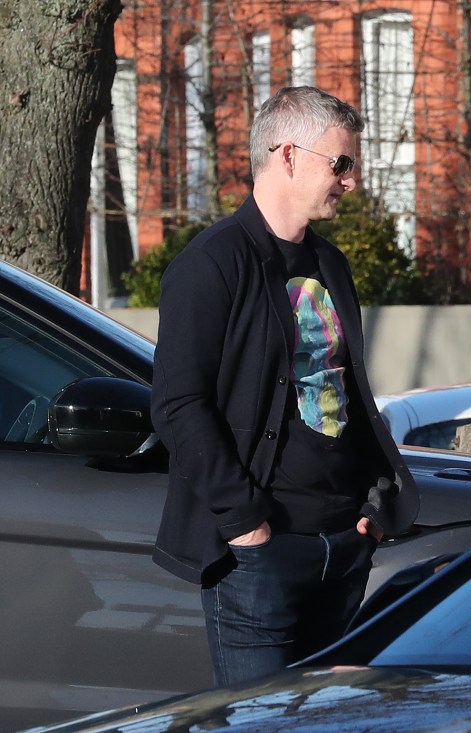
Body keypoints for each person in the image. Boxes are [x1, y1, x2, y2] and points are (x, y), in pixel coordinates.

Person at [150, 86, 418, 686]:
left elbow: (347, 392)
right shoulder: (213, 263)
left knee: (330, 724)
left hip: (344, 544)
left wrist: (374, 503)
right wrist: (247, 523)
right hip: (260, 555)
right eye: (341, 163)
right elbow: (177, 405)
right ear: (289, 155)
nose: (352, 180)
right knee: (260, 723)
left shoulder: (331, 265)